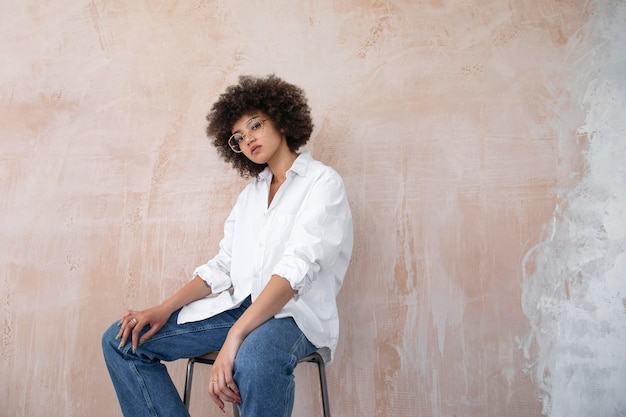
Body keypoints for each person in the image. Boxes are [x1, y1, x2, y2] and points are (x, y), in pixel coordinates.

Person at [102, 74, 354, 417]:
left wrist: (235, 337)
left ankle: (244, 342)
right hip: (241, 307)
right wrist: (163, 309)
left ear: (280, 118)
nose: (247, 138)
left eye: (254, 125)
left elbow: (296, 269)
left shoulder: (323, 183)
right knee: (122, 341)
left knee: (255, 358)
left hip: (294, 315)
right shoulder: (250, 197)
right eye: (238, 136)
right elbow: (223, 266)